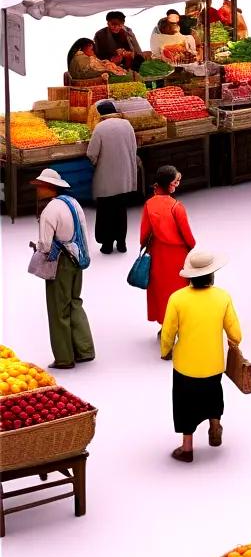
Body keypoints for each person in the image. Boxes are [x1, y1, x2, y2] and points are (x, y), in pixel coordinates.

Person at [160, 248, 242, 463]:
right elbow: (235, 334)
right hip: (214, 362)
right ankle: (215, 426)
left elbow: (168, 333)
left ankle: (187, 448)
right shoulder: (222, 297)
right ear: (212, 275)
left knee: (184, 403)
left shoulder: (177, 299)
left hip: (185, 365)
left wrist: (165, 351)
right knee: (213, 394)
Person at [29, 169, 95, 369]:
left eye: (40, 186)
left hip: (60, 263)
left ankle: (64, 358)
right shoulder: (73, 203)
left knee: (58, 310)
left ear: (49, 188)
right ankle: (85, 350)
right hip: (77, 259)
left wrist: (36, 248)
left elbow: (46, 245)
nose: (38, 190)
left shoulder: (49, 210)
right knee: (75, 302)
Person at [141, 165, 197, 334]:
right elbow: (189, 238)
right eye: (175, 181)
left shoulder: (149, 204)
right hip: (178, 257)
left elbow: (143, 236)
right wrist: (190, 246)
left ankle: (165, 327)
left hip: (157, 254)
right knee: (179, 292)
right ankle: (180, 326)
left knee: (161, 291)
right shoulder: (176, 207)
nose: (177, 184)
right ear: (168, 184)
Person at [87, 100, 138, 254]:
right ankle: (122, 243)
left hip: (106, 177)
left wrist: (95, 163)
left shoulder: (100, 128)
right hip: (124, 176)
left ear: (102, 115)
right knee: (121, 210)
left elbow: (91, 153)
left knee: (106, 211)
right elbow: (134, 147)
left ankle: (107, 245)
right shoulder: (127, 125)